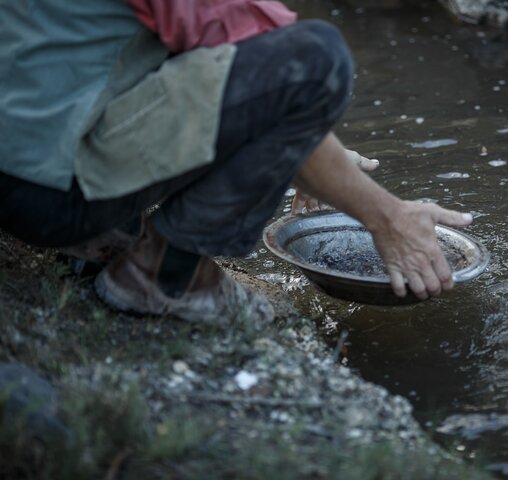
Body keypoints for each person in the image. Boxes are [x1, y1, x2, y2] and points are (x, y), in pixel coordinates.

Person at [0, 0, 473, 324]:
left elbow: (202, 61)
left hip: (19, 173)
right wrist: (388, 217)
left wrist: (305, 147)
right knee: (317, 60)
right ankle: (168, 278)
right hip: (50, 195)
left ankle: (102, 241)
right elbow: (279, 75)